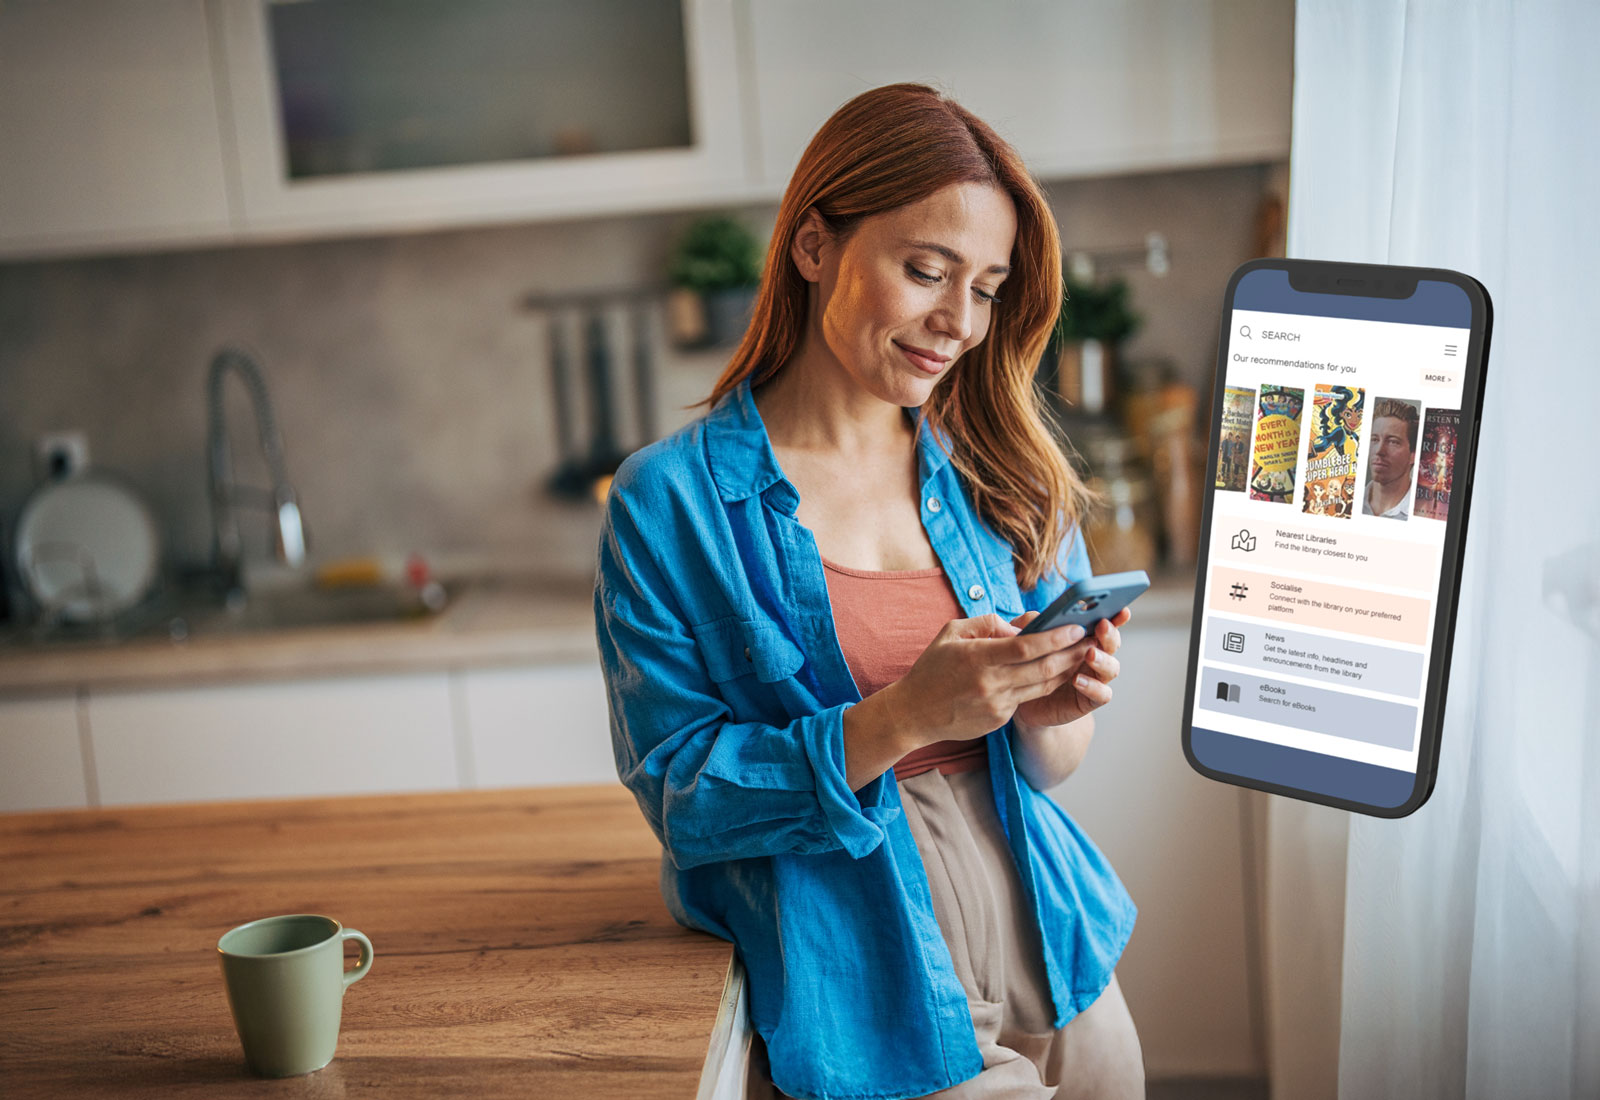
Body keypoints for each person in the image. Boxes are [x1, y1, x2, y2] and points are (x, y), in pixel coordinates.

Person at [593, 83, 1142, 1100]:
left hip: (1061, 952)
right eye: (924, 270)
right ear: (812, 246)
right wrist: (900, 717)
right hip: (872, 996)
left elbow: (1053, 765)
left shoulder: (1001, 463)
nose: (959, 321)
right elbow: (685, 798)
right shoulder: (670, 503)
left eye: (984, 286)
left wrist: (1050, 712)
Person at [1362, 398, 1420, 519]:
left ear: (1413, 454)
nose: (1379, 451)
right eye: (1375, 440)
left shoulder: (1421, 513)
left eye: (1393, 442)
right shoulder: (1349, 502)